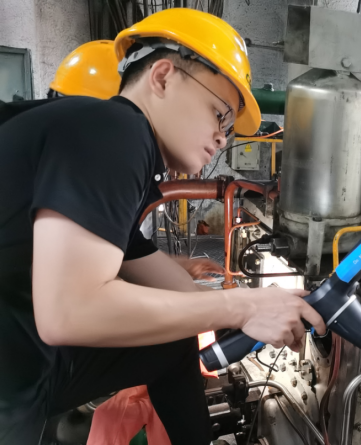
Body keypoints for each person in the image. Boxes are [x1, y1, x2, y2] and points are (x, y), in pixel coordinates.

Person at [0, 8, 325, 445]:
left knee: (171, 343)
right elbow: (69, 312)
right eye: (219, 113)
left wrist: (266, 304)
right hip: (14, 384)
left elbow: (176, 290)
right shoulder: (114, 129)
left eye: (229, 128)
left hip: (25, 366)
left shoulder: (118, 151)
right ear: (163, 77)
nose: (222, 138)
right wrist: (243, 307)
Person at [49, 39, 224, 282]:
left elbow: (123, 247)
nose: (222, 138)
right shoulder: (113, 137)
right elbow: (79, 288)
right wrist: (230, 302)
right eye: (217, 113)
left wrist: (175, 269)